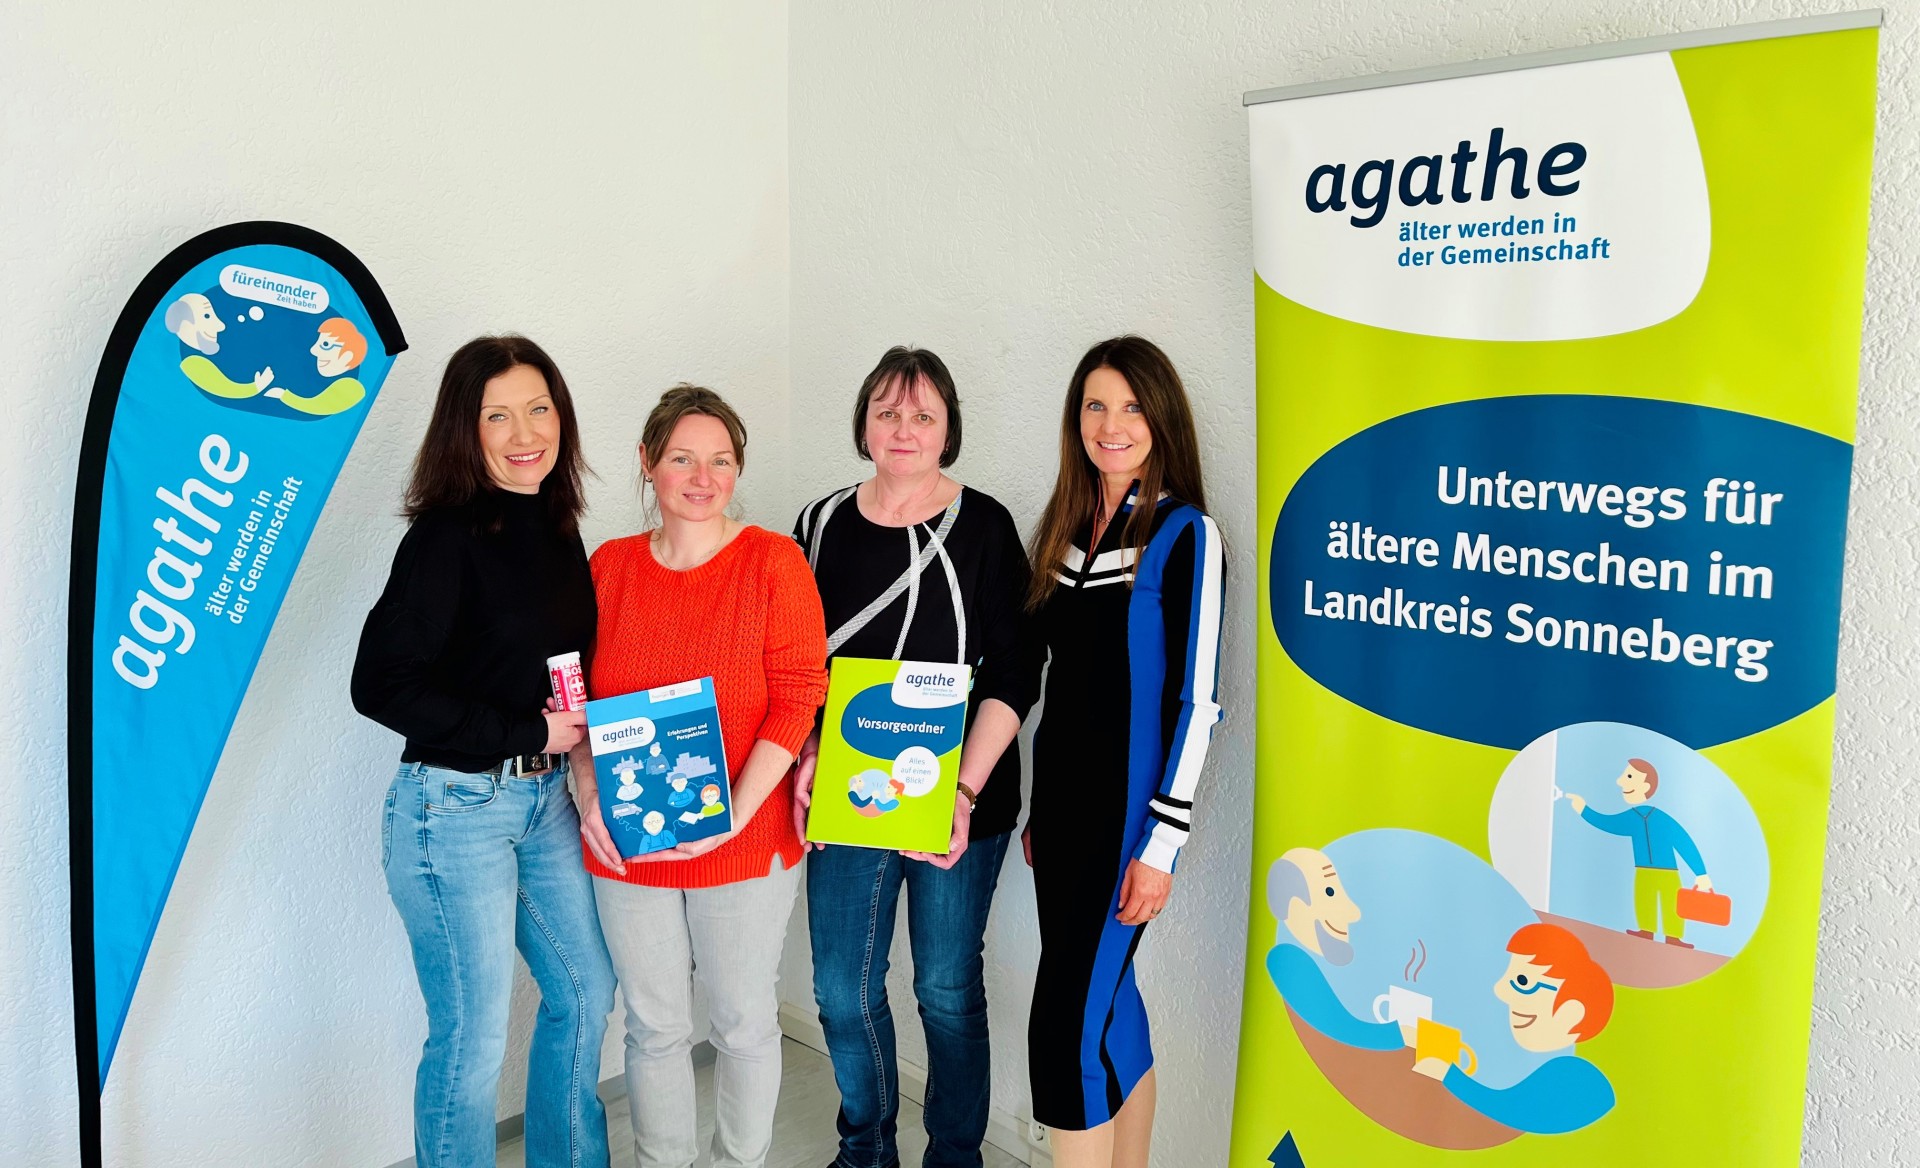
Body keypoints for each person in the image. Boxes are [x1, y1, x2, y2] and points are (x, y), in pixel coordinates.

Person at [350, 335, 615, 1168]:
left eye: (539, 408)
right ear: (465, 429)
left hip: (545, 802)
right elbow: (380, 684)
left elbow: (545, 663)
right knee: (471, 1038)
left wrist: (575, 731)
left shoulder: (558, 525)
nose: (524, 432)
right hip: (452, 809)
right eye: (497, 415)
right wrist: (527, 732)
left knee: (586, 992)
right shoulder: (444, 537)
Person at [789, 346, 1039, 1168]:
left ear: (948, 430)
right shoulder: (819, 525)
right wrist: (807, 752)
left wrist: (961, 793)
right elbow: (796, 667)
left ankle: (954, 1158)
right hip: (850, 792)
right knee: (841, 990)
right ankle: (865, 1149)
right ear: (864, 423)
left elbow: (1016, 671)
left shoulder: (986, 527)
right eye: (888, 411)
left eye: (923, 414)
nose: (904, 428)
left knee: (945, 987)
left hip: (960, 798)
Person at [572, 384, 828, 1168]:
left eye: (720, 460)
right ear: (648, 463)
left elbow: (799, 698)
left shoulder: (773, 562)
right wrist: (588, 793)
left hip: (745, 841)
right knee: (654, 1027)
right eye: (682, 458)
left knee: (743, 1024)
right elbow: (577, 706)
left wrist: (732, 817)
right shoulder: (608, 568)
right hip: (628, 841)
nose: (702, 477)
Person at [1023, 336, 1224, 1168]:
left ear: (1162, 416)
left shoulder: (1185, 533)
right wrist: (1037, 810)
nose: (1112, 424)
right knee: (1109, 1010)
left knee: (1064, 1029)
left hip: (1125, 825)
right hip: (1060, 819)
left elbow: (1197, 704)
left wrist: (1161, 845)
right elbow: (1060, 687)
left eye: (1133, 406)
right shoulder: (1065, 530)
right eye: (1096, 406)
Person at [1413, 923, 1616, 1135]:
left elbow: (1514, 1109)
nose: (1500, 991)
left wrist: (1450, 1075)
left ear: (1571, 1013)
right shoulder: (1519, 1063)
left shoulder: (1582, 1083)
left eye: (1522, 981)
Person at [1565, 758, 1712, 948]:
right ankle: (1646, 930)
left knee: (1671, 903)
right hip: (1643, 869)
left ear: (1645, 786)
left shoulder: (1660, 818)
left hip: (1669, 872)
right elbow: (1608, 823)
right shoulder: (1632, 817)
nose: (1620, 781)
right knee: (1644, 898)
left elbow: (1684, 843)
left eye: (1628, 776)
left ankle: (1673, 937)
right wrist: (1583, 810)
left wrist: (1701, 873)